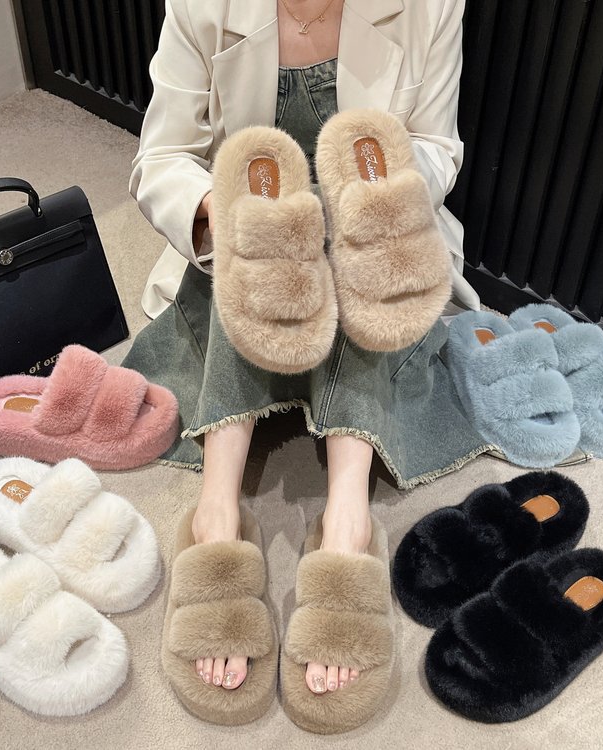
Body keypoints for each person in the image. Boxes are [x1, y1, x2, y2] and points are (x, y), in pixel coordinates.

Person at [124, 0, 485, 703]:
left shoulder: (431, 6)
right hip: (248, 240)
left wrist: (370, 203)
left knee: (350, 256)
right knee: (264, 242)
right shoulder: (201, 5)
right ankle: (218, 504)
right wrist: (231, 214)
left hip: (376, 246)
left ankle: (346, 517)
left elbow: (437, 146)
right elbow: (162, 159)